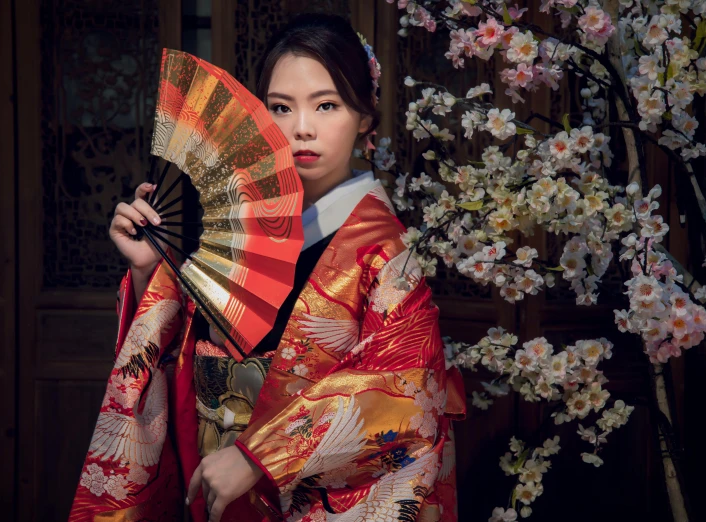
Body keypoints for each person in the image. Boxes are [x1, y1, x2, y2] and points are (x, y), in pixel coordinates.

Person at [70, 13, 465, 522]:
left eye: (327, 105)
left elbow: (406, 391)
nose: (302, 128)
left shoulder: (388, 252)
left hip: (307, 498)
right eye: (280, 107)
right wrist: (150, 274)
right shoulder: (233, 222)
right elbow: (176, 363)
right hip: (213, 479)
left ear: (366, 117)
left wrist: (259, 456)